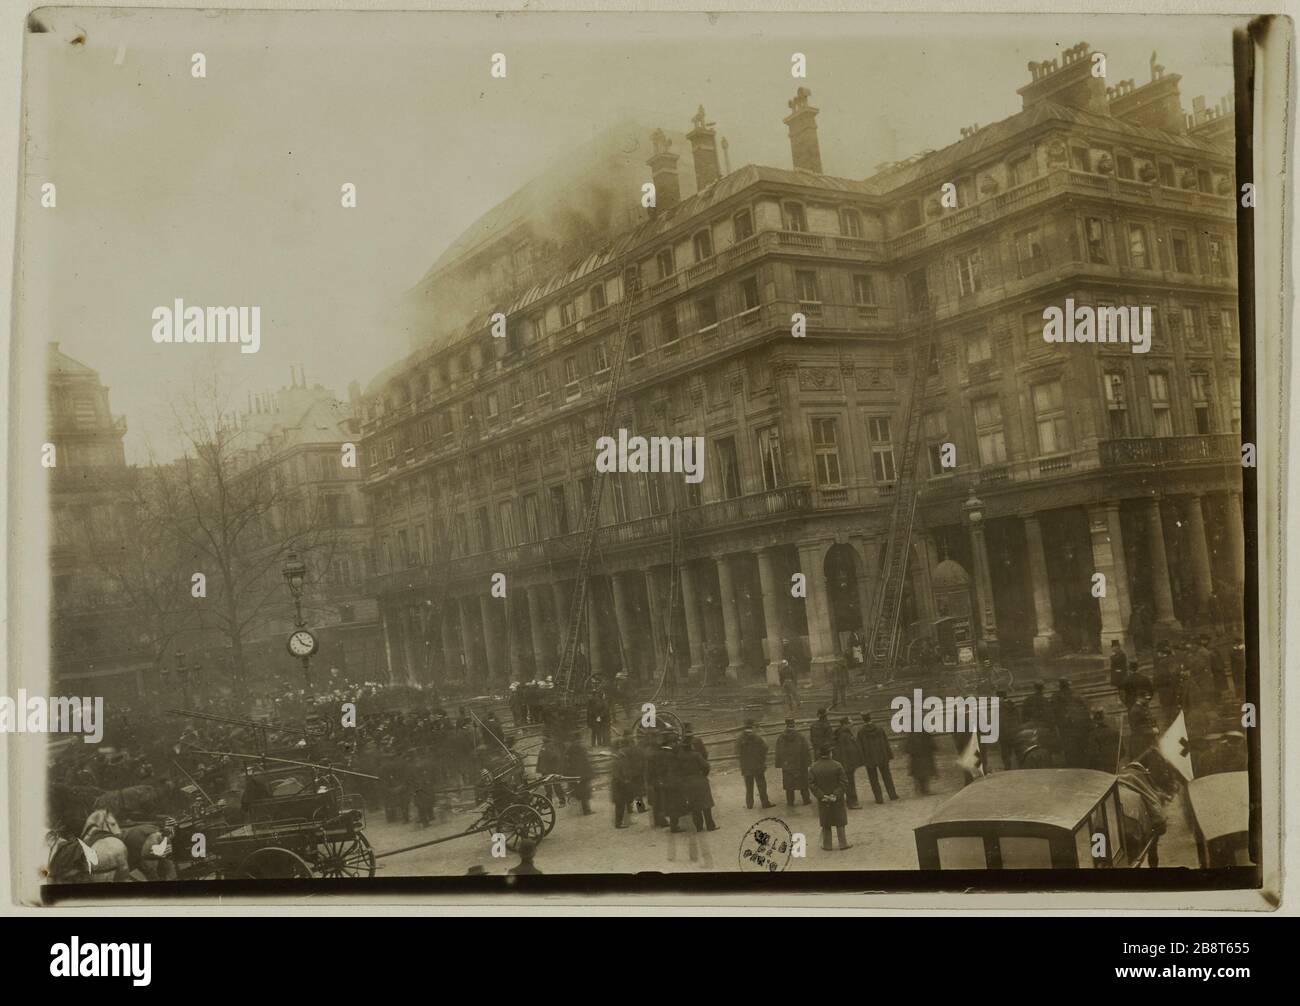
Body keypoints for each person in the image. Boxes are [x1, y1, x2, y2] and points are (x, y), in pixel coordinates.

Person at [671, 736, 717, 832]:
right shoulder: (696, 755)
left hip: (687, 783)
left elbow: (677, 771)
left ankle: (699, 827)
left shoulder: (679, 758)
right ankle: (710, 826)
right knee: (706, 804)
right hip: (700, 781)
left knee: (694, 805)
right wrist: (703, 775)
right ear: (690, 746)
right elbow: (706, 767)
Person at [809, 747, 852, 851]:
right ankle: (843, 843)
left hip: (823, 800)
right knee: (840, 820)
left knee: (826, 821)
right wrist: (835, 795)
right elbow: (844, 782)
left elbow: (812, 784)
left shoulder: (814, 767)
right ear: (830, 753)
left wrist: (821, 796)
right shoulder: (837, 765)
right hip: (837, 799)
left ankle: (827, 845)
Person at [856, 713, 899, 802]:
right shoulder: (879, 729)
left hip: (869, 758)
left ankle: (879, 798)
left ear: (863, 719)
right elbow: (885, 742)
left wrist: (862, 759)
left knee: (873, 779)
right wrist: (889, 755)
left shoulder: (861, 732)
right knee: (887, 776)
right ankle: (892, 795)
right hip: (882, 756)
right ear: (870, 718)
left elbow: (859, 747)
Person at [736, 719, 774, 810]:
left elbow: (738, 753)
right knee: (761, 785)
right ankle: (765, 803)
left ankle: (749, 805)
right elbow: (765, 749)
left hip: (747, 767)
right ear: (752, 727)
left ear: (745, 727)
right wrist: (761, 760)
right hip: (758, 766)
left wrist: (743, 763)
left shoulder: (740, 739)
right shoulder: (757, 738)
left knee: (749, 786)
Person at [774, 718, 812, 806]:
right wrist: (808, 762)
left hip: (787, 765)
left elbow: (778, 751)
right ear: (794, 725)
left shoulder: (781, 737)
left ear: (786, 725)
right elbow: (806, 750)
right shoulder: (800, 736)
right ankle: (806, 800)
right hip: (800, 764)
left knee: (789, 785)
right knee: (803, 783)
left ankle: (790, 802)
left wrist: (780, 764)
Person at [832, 717, 863, 809]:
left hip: (843, 763)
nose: (852, 724)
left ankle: (847, 801)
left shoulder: (840, 733)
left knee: (844, 782)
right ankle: (852, 802)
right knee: (850, 783)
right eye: (850, 723)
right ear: (845, 724)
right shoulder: (845, 735)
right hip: (847, 764)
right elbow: (848, 751)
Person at [610, 737, 637, 829]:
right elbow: (617, 775)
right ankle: (618, 823)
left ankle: (624, 821)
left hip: (622, 785)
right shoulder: (617, 758)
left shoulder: (620, 756)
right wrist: (624, 781)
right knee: (620, 805)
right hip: (619, 786)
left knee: (624, 803)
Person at [563, 736, 594, 815]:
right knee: (584, 792)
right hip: (582, 774)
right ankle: (586, 810)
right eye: (580, 740)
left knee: (577, 792)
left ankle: (579, 810)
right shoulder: (580, 749)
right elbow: (584, 762)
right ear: (577, 740)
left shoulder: (569, 750)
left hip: (574, 774)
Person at [535, 732, 567, 807]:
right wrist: (539, 769)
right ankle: (548, 802)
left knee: (557, 786)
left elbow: (555, 756)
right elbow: (540, 759)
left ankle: (562, 801)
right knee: (547, 787)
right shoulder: (543, 746)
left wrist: (550, 755)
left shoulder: (551, 745)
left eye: (543, 736)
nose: (541, 738)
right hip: (545, 771)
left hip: (552, 770)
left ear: (547, 737)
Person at [1126, 692, 1158, 760]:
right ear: (1139, 698)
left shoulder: (1143, 707)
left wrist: (1155, 727)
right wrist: (1151, 731)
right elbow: (1136, 728)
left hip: (1147, 739)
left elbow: (1151, 720)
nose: (1147, 700)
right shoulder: (1135, 710)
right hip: (1140, 741)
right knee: (1144, 759)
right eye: (1145, 698)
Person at [905, 731, 936, 796]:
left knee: (921, 773)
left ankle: (922, 789)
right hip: (920, 756)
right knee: (922, 773)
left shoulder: (915, 733)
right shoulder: (922, 732)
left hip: (920, 756)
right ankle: (923, 789)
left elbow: (908, 747)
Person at [996, 691, 1019, 771]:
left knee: (1005, 754)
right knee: (1016, 752)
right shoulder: (1013, 705)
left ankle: (1008, 770)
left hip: (1003, 734)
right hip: (1014, 732)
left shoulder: (998, 706)